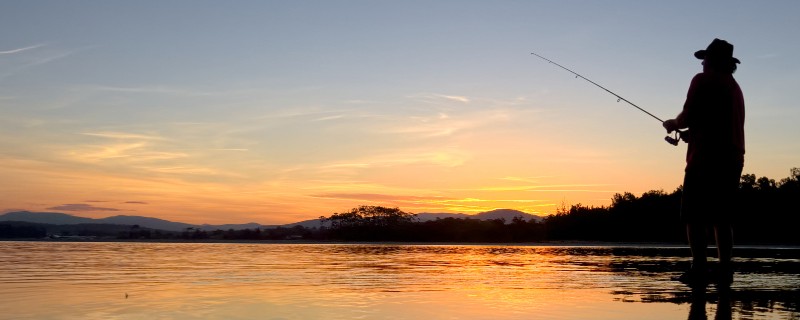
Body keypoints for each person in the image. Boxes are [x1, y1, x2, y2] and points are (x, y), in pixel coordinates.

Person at [663, 38, 745, 287]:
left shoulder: (703, 80)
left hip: (705, 159)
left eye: (705, 59)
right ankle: (725, 271)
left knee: (694, 216)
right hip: (732, 157)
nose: (702, 63)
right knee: (722, 217)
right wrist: (693, 135)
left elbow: (687, 116)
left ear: (712, 61)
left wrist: (673, 124)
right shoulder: (734, 87)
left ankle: (699, 269)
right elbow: (714, 122)